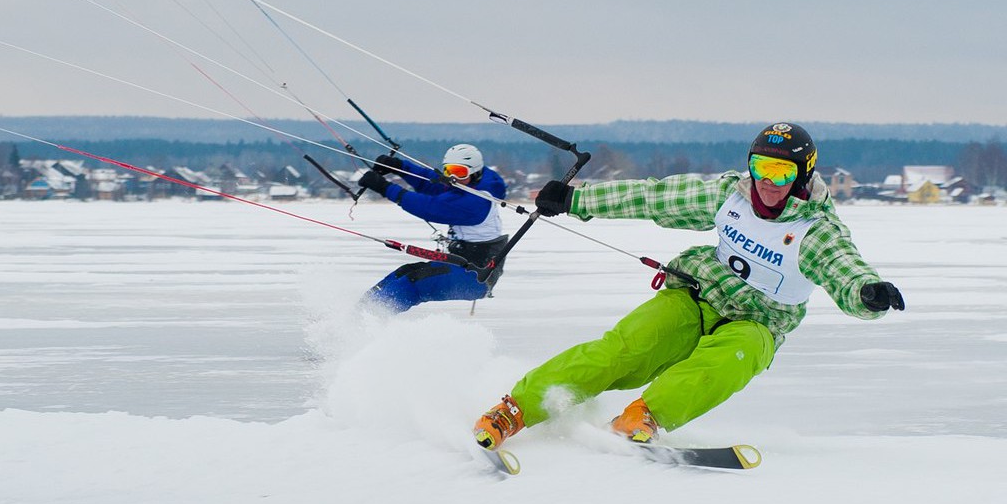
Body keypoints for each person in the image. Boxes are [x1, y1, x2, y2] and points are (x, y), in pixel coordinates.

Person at [472, 122, 904, 450]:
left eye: (780, 172)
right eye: (760, 168)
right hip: (697, 296)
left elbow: (845, 270)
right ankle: (514, 411)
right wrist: (576, 201)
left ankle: (642, 418)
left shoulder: (817, 231)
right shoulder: (727, 197)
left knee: (729, 363)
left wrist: (869, 294)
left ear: (803, 175)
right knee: (623, 351)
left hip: (758, 322)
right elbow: (651, 197)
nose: (767, 182)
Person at [356, 144, 510, 312]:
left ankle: (368, 320)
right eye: (449, 170)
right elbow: (432, 184)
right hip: (461, 264)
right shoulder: (473, 184)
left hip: (477, 277)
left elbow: (430, 207)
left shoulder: (477, 202)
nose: (453, 177)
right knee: (404, 272)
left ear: (475, 172)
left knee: (415, 282)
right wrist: (400, 167)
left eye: (460, 172)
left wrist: (385, 188)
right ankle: (359, 311)